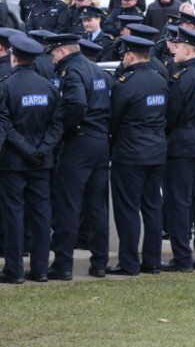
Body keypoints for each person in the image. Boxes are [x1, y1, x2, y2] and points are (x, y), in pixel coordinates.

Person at [46, 33, 112, 280]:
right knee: (97, 206)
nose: (52, 61)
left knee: (69, 205)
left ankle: (63, 265)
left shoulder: (71, 71)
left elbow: (76, 105)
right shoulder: (96, 70)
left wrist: (62, 129)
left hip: (79, 143)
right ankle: (100, 263)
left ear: (63, 51)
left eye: (53, 55)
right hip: (99, 142)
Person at [0, 35, 62, 284]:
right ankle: (40, 269)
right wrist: (42, 149)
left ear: (14, 57)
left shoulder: (6, 86)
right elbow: (56, 125)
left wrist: (27, 150)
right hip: (40, 161)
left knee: (14, 216)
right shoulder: (48, 86)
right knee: (41, 215)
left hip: (14, 162)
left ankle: (14, 270)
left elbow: (6, 126)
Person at [106, 36, 168, 276]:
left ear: (130, 55)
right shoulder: (160, 80)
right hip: (155, 151)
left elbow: (114, 119)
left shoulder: (125, 83)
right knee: (152, 207)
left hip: (129, 153)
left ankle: (129, 262)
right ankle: (152, 261)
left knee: (128, 209)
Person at [162, 27, 195, 272]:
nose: (173, 50)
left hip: (183, 145)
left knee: (180, 203)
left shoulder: (182, 77)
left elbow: (172, 114)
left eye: (177, 47)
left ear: (187, 49)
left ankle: (182, 257)